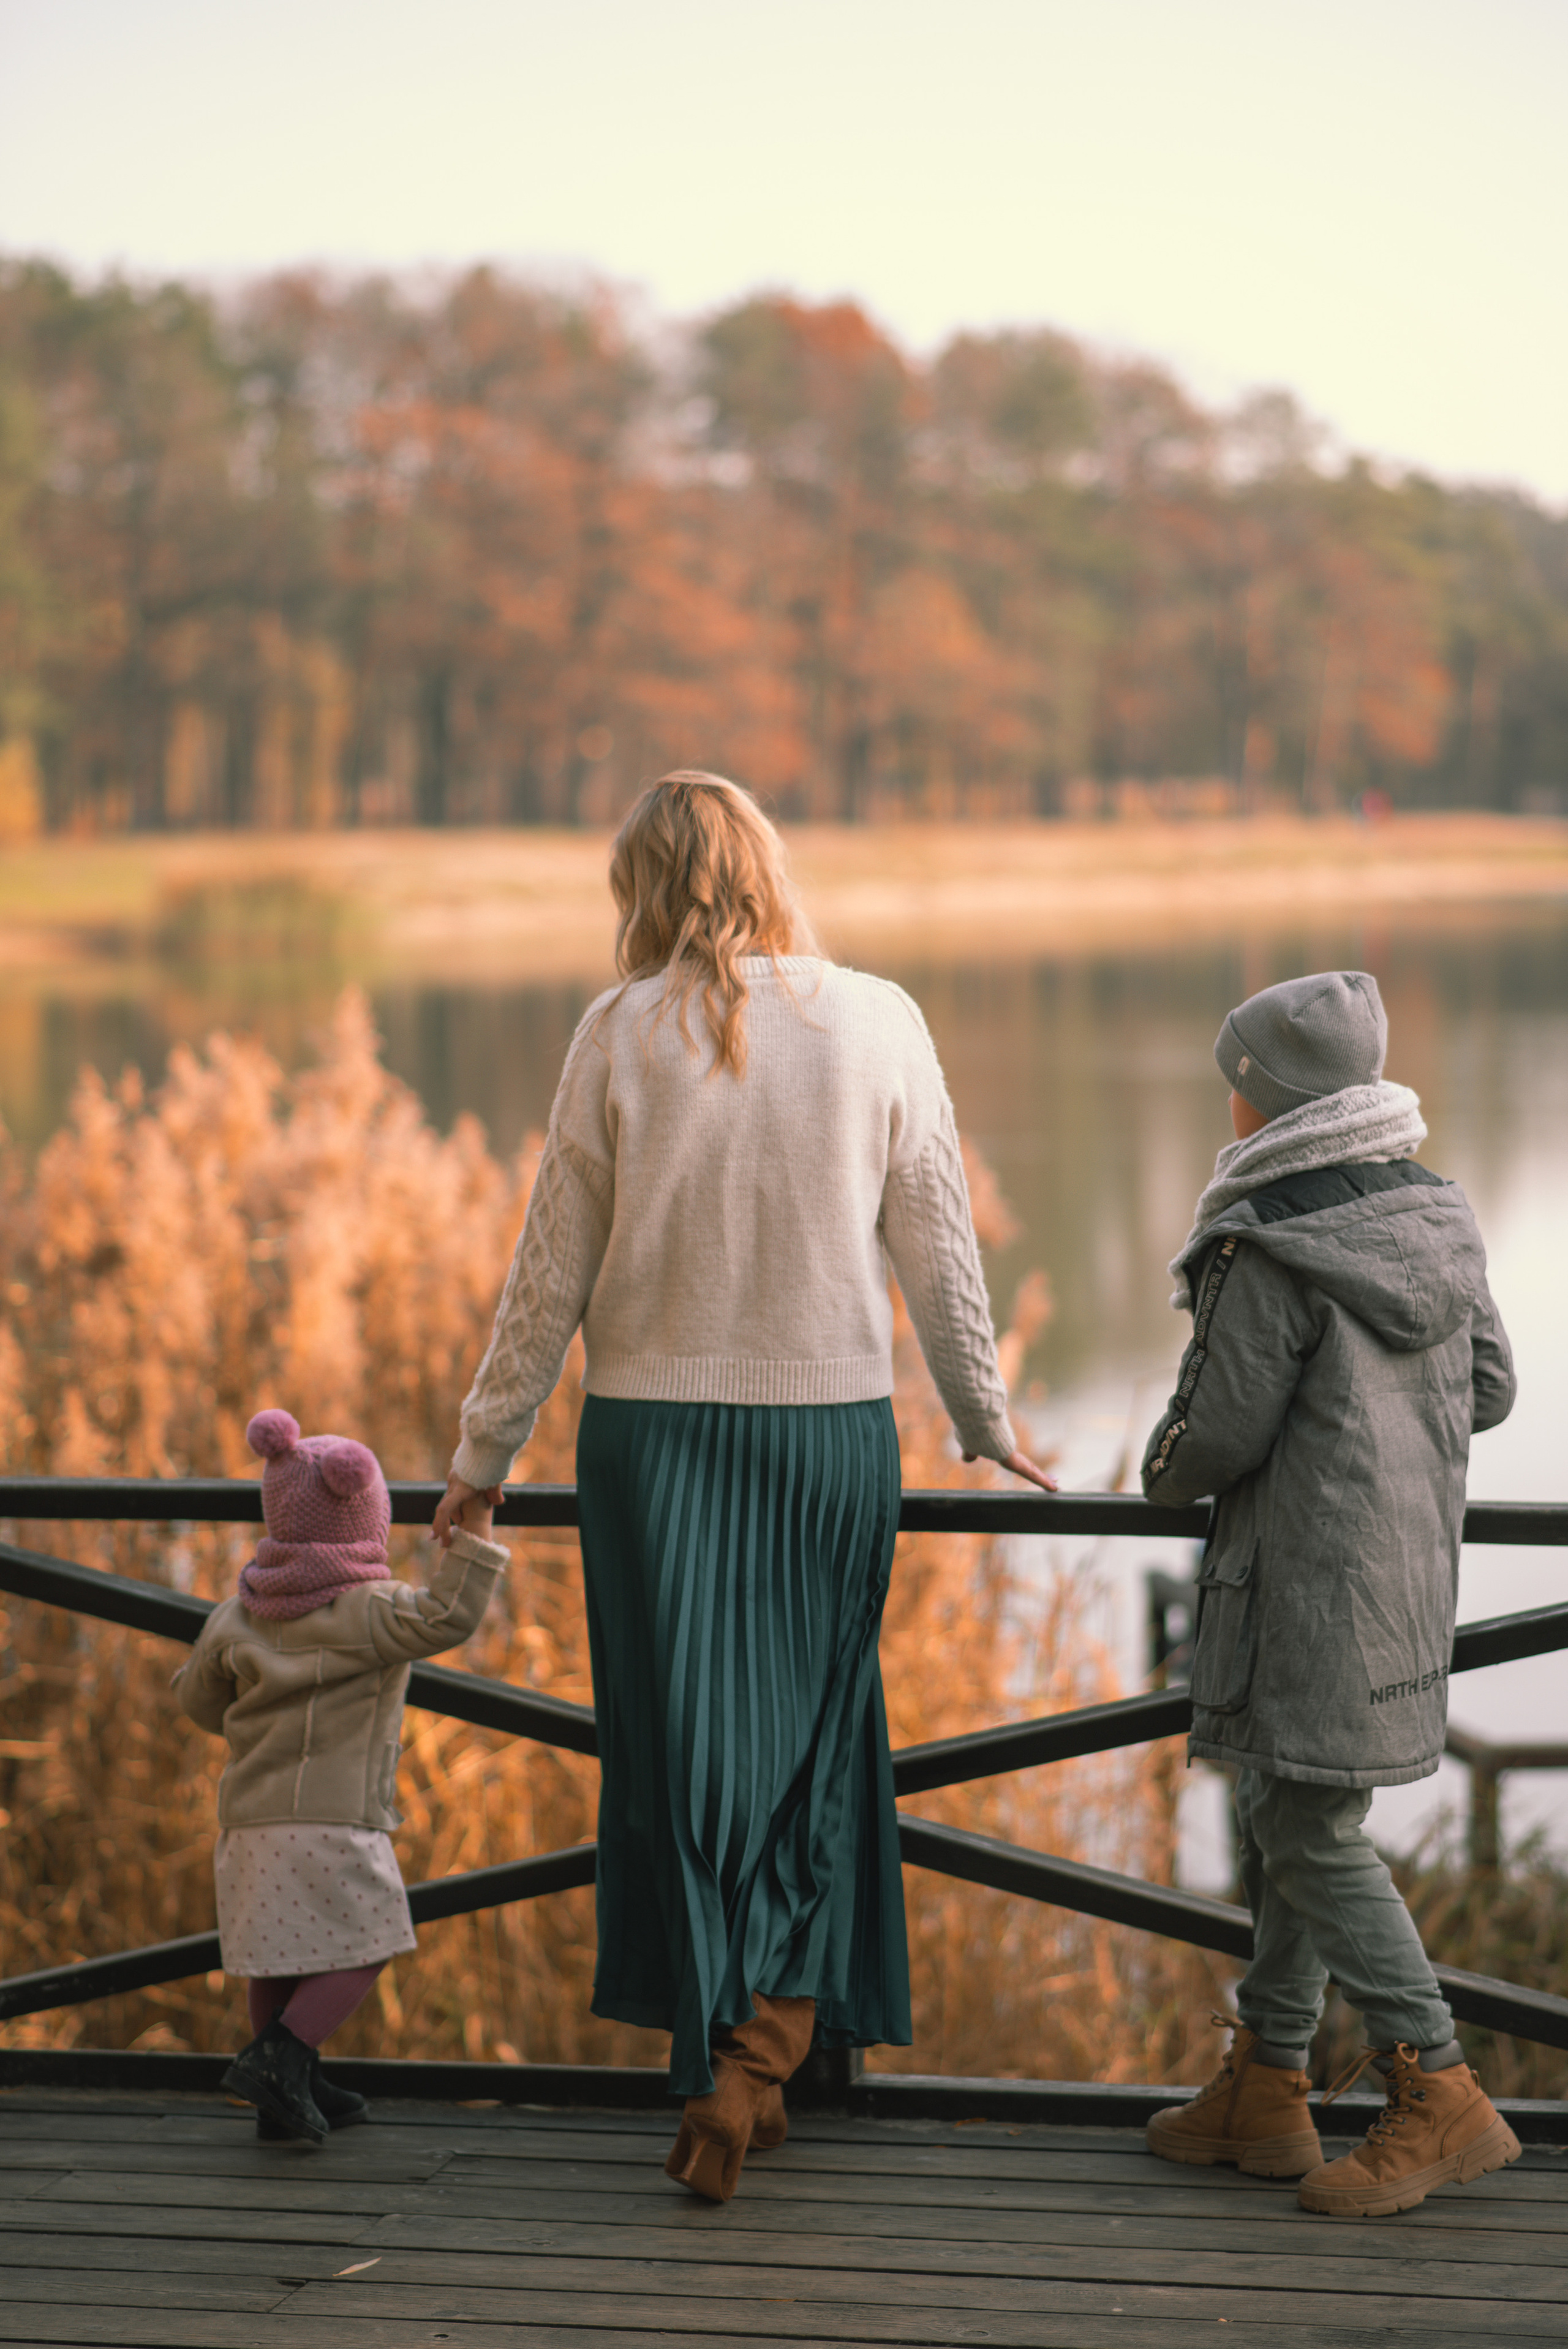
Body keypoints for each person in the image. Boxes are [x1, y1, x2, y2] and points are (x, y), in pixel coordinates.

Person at [436, 770, 1054, 2203]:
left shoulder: (616, 1029)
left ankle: (733, 2050)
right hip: (825, 1437)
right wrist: (982, 1417)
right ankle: (759, 2057)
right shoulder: (879, 1017)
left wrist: (482, 1456)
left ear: (641, 890)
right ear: (769, 868)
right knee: (821, 1739)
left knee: (674, 1754)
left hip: (649, 1445)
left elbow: (548, 1269)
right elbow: (938, 1243)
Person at [1140, 970, 1520, 2218]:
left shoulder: (1267, 1239)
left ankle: (1438, 2084)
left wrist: (1155, 1472)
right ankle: (1267, 2083)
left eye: (1235, 1084)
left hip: (1301, 1581)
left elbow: (1212, 1434)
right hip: (1402, 1574)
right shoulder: (1434, 1210)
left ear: (1271, 1100)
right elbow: (1488, 1388)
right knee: (1284, 1805)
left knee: (1306, 1830)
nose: (1228, 1104)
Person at [173, 1408, 507, 2143]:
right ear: (367, 1518)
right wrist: (477, 1524)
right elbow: (450, 1616)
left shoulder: (236, 1614)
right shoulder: (370, 1611)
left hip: (249, 1818)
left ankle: (286, 2092)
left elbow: (198, 1702)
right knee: (371, 1939)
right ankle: (282, 2061)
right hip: (333, 1820)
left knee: (277, 1954)